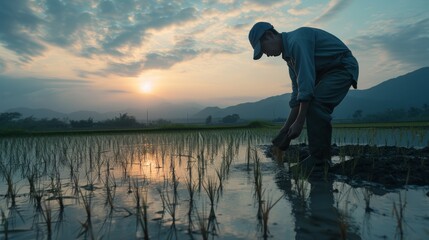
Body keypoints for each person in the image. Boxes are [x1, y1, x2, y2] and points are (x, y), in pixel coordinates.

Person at [248, 22, 359, 174]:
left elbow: (306, 85)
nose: (266, 54)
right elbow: (297, 95)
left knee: (315, 105)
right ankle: (320, 159)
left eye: (263, 49)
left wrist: (299, 122)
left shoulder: (297, 41)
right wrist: (285, 130)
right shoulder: (289, 59)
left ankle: (320, 161)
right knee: (310, 102)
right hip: (324, 73)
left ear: (269, 35)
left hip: (341, 67)